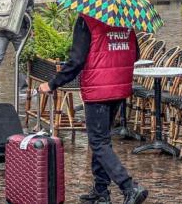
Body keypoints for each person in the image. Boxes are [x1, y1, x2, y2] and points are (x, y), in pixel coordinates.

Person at [39, 14, 147, 204]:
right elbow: (136, 54)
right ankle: (101, 190)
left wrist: (52, 84)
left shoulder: (86, 21)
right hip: (119, 87)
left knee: (98, 141)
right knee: (102, 140)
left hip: (98, 88)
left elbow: (76, 60)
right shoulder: (124, 20)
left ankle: (129, 187)